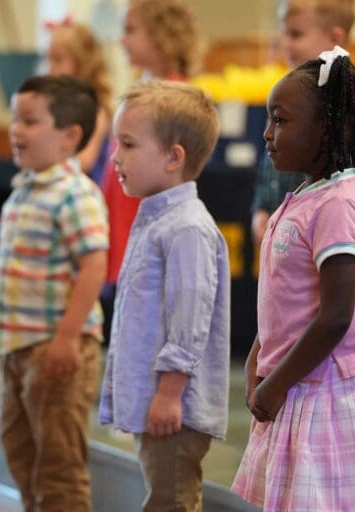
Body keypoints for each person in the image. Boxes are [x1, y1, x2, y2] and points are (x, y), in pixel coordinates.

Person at [231, 48, 355, 511]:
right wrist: (260, 354)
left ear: (328, 129)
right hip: (297, 381)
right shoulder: (309, 195)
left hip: (327, 393)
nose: (268, 135)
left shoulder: (339, 204)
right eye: (269, 120)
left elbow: (335, 317)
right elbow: (287, 302)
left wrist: (276, 384)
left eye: (281, 121)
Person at [98, 81, 229, 512]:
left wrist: (170, 393)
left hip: (176, 406)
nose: (115, 157)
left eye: (129, 144)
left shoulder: (186, 227)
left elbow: (190, 318)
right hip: (160, 401)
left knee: (171, 501)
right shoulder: (156, 218)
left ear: (174, 157)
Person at [0, 75, 108, 512]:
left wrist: (67, 337)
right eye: (14, 119)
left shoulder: (75, 194)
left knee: (59, 463)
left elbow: (94, 265)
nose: (16, 129)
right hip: (17, 348)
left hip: (56, 350)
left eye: (29, 121)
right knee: (21, 455)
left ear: (69, 136)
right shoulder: (23, 190)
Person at [101, 0, 202, 341]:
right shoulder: (141, 89)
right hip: (124, 213)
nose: (122, 40)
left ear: (162, 34)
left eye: (131, 30)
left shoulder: (174, 96)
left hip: (146, 218)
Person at [251, 0, 355, 244]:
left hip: (317, 232)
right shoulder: (286, 90)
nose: (285, 44)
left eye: (296, 34)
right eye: (284, 33)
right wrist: (262, 209)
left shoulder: (345, 98)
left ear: (335, 38)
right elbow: (268, 159)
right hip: (280, 226)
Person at [46, 18, 113, 184]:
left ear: (82, 64)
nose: (50, 68)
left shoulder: (98, 112)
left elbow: (84, 162)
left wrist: (46, 163)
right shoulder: (55, 109)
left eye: (58, 60)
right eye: (49, 59)